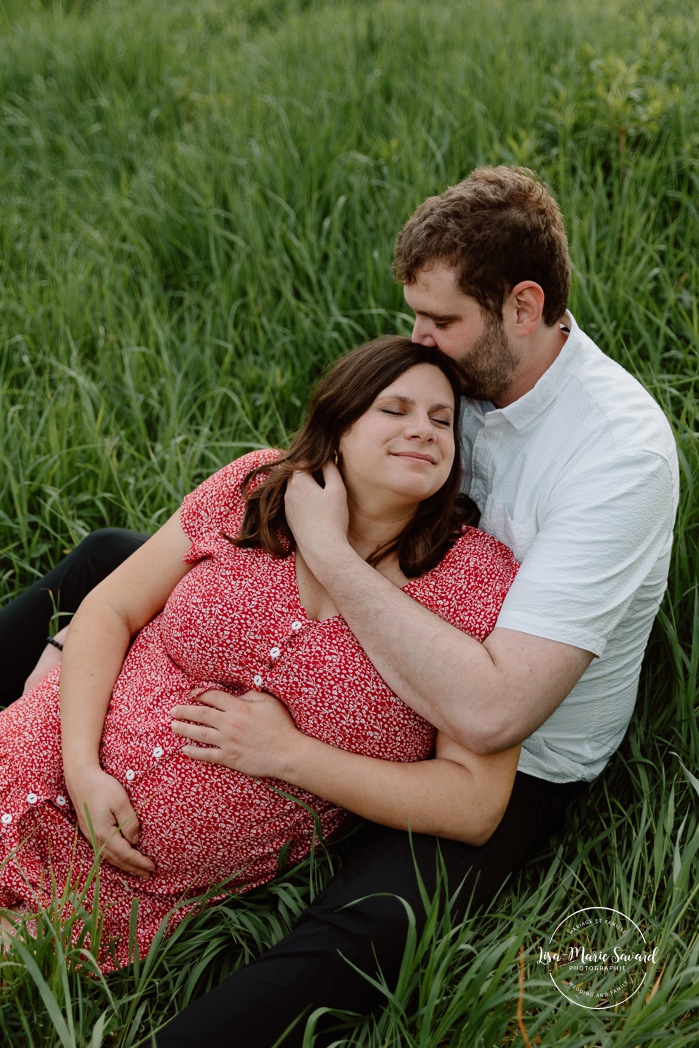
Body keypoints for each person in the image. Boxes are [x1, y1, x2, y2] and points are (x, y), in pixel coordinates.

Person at [0, 166, 678, 1045]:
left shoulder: (615, 456)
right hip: (352, 628)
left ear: (521, 307)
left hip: (512, 742)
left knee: (366, 925)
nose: (418, 341)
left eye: (439, 322)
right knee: (104, 564)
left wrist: (321, 560)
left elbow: (494, 707)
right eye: (413, 321)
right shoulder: (456, 378)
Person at [0, 337, 522, 972]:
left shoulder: (475, 579)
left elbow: (473, 805)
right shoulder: (257, 487)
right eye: (396, 410)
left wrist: (291, 756)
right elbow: (110, 609)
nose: (425, 431)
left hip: (130, 888)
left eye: (443, 421)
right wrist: (82, 769)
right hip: (42, 755)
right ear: (340, 423)